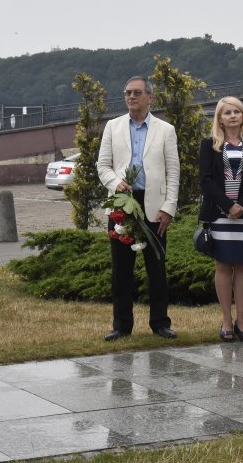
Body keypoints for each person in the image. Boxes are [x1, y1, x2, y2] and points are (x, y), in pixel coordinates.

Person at [97, 76, 180, 342]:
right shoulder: (113, 126)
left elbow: (173, 172)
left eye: (137, 93)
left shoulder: (165, 130)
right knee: (121, 269)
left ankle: (160, 323)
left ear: (150, 97)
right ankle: (121, 325)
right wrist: (115, 182)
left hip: (154, 205)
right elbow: (103, 166)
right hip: (122, 202)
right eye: (128, 92)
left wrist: (169, 208)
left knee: (156, 267)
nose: (131, 97)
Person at [199, 97, 243, 342]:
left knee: (242, 265)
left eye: (237, 111)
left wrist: (242, 205)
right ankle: (226, 320)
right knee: (223, 265)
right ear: (219, 118)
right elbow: (206, 179)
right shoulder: (210, 145)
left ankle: (242, 320)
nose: (233, 116)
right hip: (219, 214)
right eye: (227, 112)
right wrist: (228, 205)